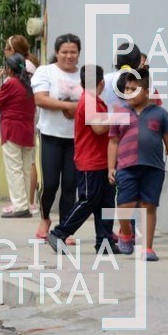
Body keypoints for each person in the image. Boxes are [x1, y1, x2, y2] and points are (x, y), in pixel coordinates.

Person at [108, 69, 168, 261]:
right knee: (125, 204)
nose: (128, 93)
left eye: (133, 89)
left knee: (149, 206)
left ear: (147, 91)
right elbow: (113, 141)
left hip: (153, 168)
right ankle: (125, 232)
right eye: (126, 89)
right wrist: (110, 167)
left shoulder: (160, 114)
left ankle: (148, 248)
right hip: (126, 166)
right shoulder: (120, 113)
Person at [48, 65, 116, 254]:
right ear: (101, 83)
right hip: (90, 160)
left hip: (102, 160)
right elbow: (98, 128)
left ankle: (105, 242)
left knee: (107, 202)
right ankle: (59, 233)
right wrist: (120, 117)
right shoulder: (89, 101)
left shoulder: (94, 101)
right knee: (88, 200)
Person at [31, 34, 82, 241]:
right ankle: (44, 217)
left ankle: (65, 228)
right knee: (49, 183)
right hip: (50, 135)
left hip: (77, 138)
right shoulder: (46, 71)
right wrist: (70, 106)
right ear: (57, 52)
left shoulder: (84, 76)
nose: (69, 56)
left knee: (71, 184)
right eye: (65, 52)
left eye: (73, 52)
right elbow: (40, 99)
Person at [0, 53, 36, 218]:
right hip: (28, 131)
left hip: (12, 129)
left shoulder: (11, 83)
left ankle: (19, 205)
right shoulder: (28, 84)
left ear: (9, 69)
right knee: (24, 169)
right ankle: (25, 204)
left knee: (14, 169)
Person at [1, 35, 39, 212]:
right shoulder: (30, 71)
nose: (5, 52)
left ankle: (21, 203)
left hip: (15, 125)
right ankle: (25, 202)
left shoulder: (15, 79)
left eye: (7, 49)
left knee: (17, 167)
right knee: (25, 165)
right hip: (28, 123)